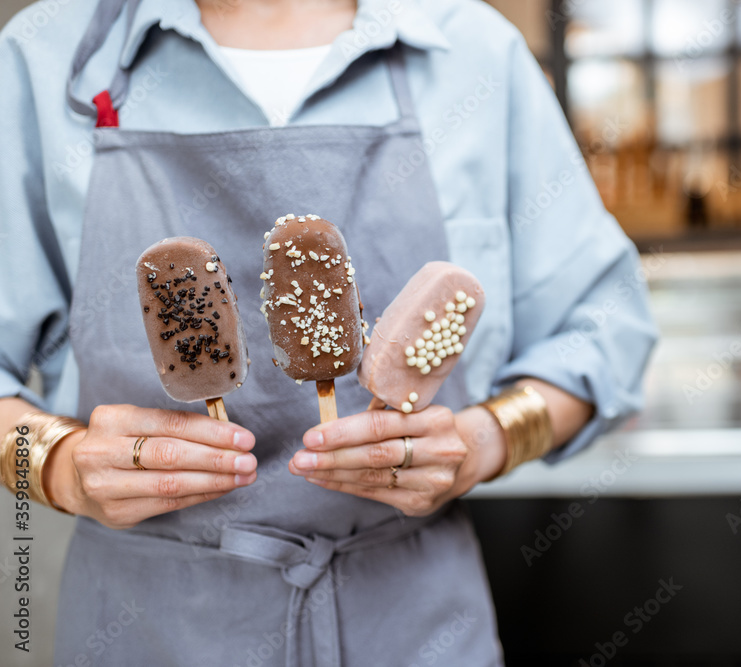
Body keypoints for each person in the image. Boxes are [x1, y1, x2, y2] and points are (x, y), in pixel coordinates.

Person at [0, 0, 657, 664]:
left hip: (416, 627)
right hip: (146, 629)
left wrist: (484, 439)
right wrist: (55, 464)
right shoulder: (44, 55)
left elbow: (606, 330)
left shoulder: (473, 50)